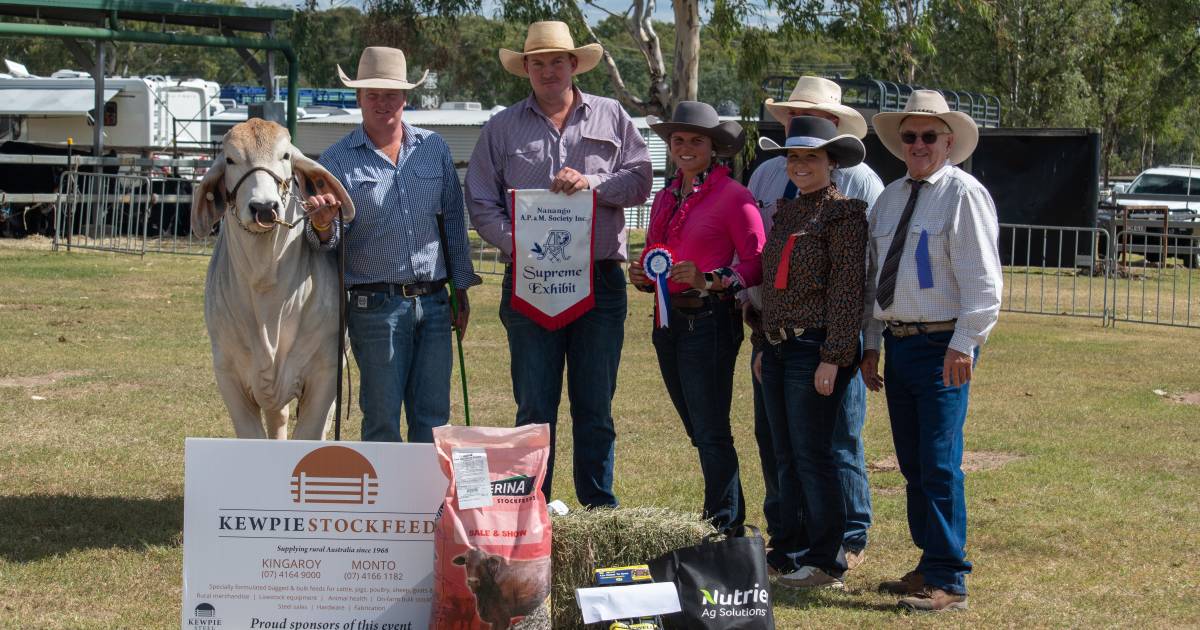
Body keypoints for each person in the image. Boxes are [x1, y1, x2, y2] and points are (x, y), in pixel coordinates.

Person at [465, 21, 652, 508]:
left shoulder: (612, 116)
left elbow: (640, 180)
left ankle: (597, 512)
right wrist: (518, 242)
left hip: (599, 281)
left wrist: (594, 183)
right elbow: (481, 202)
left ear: (574, 64)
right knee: (534, 407)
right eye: (538, 62)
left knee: (595, 406)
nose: (548, 70)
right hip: (530, 281)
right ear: (525, 68)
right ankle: (529, 512)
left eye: (557, 61)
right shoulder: (501, 127)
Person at [862, 90, 1002, 612]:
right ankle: (928, 565)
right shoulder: (890, 197)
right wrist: (871, 345)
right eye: (910, 136)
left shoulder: (965, 194)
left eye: (928, 136)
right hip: (899, 343)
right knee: (913, 462)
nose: (917, 145)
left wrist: (964, 344)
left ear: (949, 141)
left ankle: (949, 578)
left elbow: (984, 283)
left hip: (944, 343)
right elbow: (876, 278)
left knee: (940, 462)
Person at [304, 47, 479, 443]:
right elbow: (328, 243)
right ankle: (385, 504)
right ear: (358, 98)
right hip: (375, 307)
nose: (383, 103)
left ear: (406, 98)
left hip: (435, 303)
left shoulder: (434, 148)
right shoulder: (336, 161)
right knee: (382, 416)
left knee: (433, 416)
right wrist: (321, 225)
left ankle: (426, 503)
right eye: (373, 94)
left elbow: (453, 218)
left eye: (391, 94)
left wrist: (461, 289)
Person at [745, 76, 882, 569]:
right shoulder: (784, 212)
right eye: (793, 158)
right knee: (784, 450)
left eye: (810, 158)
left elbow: (848, 290)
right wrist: (761, 342)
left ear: (832, 163)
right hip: (779, 346)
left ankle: (830, 552)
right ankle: (793, 543)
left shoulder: (846, 214)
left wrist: (834, 354)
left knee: (816, 451)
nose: (799, 166)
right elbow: (770, 285)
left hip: (813, 348)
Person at [628, 101, 764, 531]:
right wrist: (644, 276)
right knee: (698, 429)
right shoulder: (666, 197)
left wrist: (712, 279)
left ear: (714, 147)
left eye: (695, 140)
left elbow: (757, 261)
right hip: (667, 323)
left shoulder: (734, 196)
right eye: (678, 140)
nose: (685, 147)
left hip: (709, 322)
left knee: (709, 429)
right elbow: (658, 257)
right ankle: (727, 517)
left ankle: (724, 523)